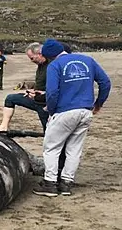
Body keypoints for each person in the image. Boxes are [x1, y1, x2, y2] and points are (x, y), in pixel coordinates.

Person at [33, 39, 112, 197]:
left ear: (48, 56)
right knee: (74, 149)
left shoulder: (55, 65)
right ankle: (66, 183)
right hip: (85, 110)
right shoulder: (88, 60)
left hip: (65, 111)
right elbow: (105, 82)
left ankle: (50, 183)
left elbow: (52, 92)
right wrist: (99, 103)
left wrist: (51, 111)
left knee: (51, 147)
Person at [0, 43, 49, 132]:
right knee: (10, 98)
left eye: (32, 58)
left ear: (39, 54)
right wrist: (32, 90)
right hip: (35, 98)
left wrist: (42, 93)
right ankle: (3, 127)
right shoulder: (40, 65)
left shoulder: (52, 65)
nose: (31, 61)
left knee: (48, 132)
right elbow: (40, 82)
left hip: (45, 102)